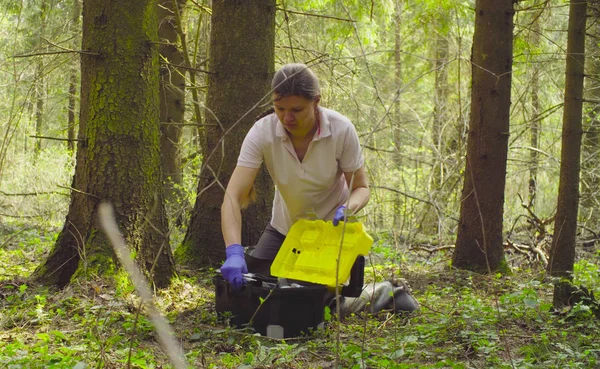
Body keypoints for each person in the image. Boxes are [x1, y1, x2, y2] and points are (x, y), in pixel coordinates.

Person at [219, 63, 370, 290]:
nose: (287, 118)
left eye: (296, 110)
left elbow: (361, 188)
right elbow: (233, 196)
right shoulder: (262, 131)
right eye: (280, 108)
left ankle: (381, 293)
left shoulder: (341, 130)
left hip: (329, 234)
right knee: (256, 288)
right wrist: (233, 251)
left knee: (312, 297)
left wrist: (349, 208)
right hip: (284, 228)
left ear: (316, 101)